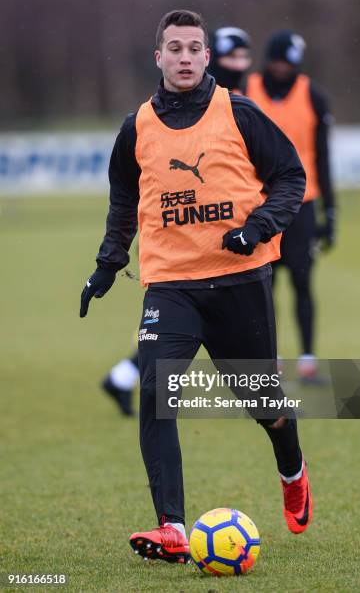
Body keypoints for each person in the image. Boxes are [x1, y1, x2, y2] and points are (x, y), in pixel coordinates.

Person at [80, 10, 312, 564]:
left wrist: (256, 228)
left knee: (266, 407)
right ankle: (173, 527)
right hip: (171, 289)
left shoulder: (239, 112)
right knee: (157, 399)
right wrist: (108, 264)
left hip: (239, 282)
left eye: (194, 48)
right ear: (157, 57)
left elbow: (291, 178)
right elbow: (122, 201)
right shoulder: (135, 127)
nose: (184, 58)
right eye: (174, 48)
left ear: (207, 57)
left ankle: (293, 468)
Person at [100, 25, 253, 418]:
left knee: (181, 328)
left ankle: (122, 374)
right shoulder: (215, 105)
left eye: (243, 56)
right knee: (184, 323)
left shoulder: (237, 103)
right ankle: (125, 374)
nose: (240, 63)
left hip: (250, 226)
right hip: (206, 240)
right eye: (232, 56)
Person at [246, 30, 336, 382]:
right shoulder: (244, 91)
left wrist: (331, 212)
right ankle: (272, 361)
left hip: (303, 204)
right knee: (262, 287)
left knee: (302, 280)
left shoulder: (313, 95)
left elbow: (324, 158)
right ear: (268, 60)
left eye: (291, 63)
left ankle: (309, 360)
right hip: (258, 204)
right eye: (279, 61)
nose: (284, 68)